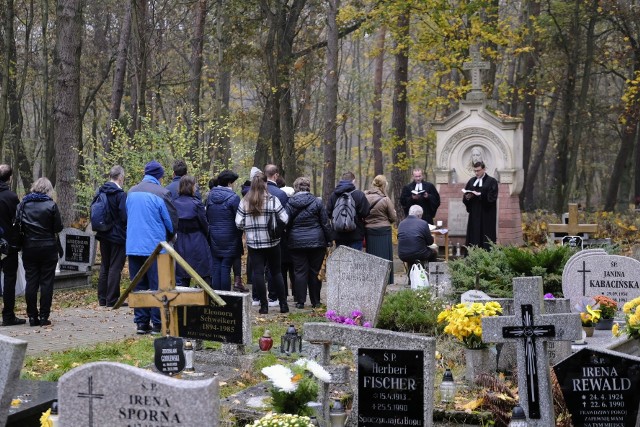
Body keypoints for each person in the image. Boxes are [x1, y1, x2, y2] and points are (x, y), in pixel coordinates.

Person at [126, 160, 178, 335]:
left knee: (138, 285)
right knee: (157, 285)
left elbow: (128, 216)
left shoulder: (131, 192)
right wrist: (171, 236)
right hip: (155, 248)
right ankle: (157, 323)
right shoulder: (163, 193)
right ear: (160, 176)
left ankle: (141, 323)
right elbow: (171, 223)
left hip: (133, 246)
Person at [235, 171, 289, 314]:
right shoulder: (272, 200)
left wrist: (248, 229)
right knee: (276, 272)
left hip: (254, 243)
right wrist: (275, 227)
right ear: (265, 184)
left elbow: (238, 222)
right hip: (273, 241)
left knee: (258, 273)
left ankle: (263, 306)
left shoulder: (245, 201)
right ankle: (283, 305)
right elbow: (284, 218)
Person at [17, 177, 63, 327]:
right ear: (49, 190)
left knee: (31, 282)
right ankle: (44, 316)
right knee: (46, 282)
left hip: (29, 247)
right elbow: (58, 228)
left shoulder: (23, 204)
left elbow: (17, 224)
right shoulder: (51, 205)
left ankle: (32, 316)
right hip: (48, 247)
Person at [286, 176, 332, 309]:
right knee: (314, 271)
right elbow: (325, 223)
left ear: (296, 188)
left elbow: (286, 222)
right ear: (308, 187)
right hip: (316, 241)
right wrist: (329, 240)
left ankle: (300, 301)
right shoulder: (317, 202)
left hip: (296, 241)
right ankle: (315, 301)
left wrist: (289, 236)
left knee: (299, 271)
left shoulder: (290, 203)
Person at [94, 165, 128, 307]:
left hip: (103, 233)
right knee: (115, 266)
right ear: (120, 178)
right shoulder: (120, 194)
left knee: (105, 265)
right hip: (117, 235)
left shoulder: (100, 191)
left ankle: (102, 298)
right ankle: (112, 299)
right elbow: (124, 216)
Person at [207, 170, 243, 291]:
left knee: (216, 266)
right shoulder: (234, 198)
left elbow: (207, 215)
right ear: (229, 183)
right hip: (231, 236)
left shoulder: (210, 196)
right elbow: (239, 219)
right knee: (226, 266)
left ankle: (216, 298)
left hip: (214, 236)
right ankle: (226, 299)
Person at [174, 175, 213, 287]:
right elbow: (204, 224)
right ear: (192, 187)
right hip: (197, 241)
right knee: (204, 274)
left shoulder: (174, 203)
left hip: (180, 241)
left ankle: (182, 302)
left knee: (183, 275)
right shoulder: (197, 204)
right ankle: (206, 300)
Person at [0, 165, 25, 326]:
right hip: (8, 245)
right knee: (9, 279)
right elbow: (17, 222)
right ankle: (8, 315)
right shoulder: (11, 197)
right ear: (10, 179)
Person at [364, 175, 397, 284]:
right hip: (384, 231)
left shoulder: (365, 197)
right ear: (383, 185)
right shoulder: (386, 199)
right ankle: (386, 279)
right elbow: (393, 218)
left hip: (369, 231)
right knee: (384, 256)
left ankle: (373, 278)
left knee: (372, 255)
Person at [264, 164, 289, 306]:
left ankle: (259, 298)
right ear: (276, 175)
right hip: (276, 235)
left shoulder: (256, 192)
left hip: (257, 235)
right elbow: (284, 217)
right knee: (275, 266)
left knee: (260, 267)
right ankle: (273, 296)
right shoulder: (280, 194)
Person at [326, 171, 370, 250]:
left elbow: (328, 213)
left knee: (342, 260)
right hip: (356, 234)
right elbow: (365, 213)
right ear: (353, 181)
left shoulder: (334, 195)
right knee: (355, 260)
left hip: (339, 234)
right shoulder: (359, 194)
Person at [463, 161, 498, 250]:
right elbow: (465, 197)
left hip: (487, 215)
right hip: (474, 214)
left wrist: (480, 195)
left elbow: (493, 197)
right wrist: (467, 197)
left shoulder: (492, 181)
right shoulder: (471, 181)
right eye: (475, 171)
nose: (476, 173)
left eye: (478, 170)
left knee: (486, 236)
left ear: (484, 169)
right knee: (474, 235)